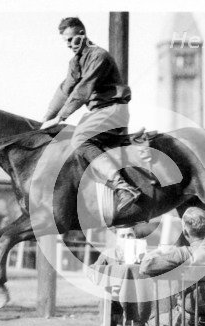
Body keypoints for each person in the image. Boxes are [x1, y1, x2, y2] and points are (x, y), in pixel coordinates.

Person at [40, 17, 140, 215]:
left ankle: (123, 188)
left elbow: (82, 90)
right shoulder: (75, 62)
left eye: (71, 40)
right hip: (98, 113)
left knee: (79, 138)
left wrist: (60, 117)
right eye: (65, 41)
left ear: (82, 35)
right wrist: (45, 120)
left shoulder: (98, 56)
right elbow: (64, 91)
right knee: (65, 138)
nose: (69, 45)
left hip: (113, 110)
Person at [91, 228, 146, 326]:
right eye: (123, 235)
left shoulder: (143, 254)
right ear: (117, 238)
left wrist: (142, 262)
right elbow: (93, 271)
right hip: (115, 301)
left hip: (137, 301)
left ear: (135, 236)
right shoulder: (109, 254)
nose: (127, 238)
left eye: (130, 235)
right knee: (105, 300)